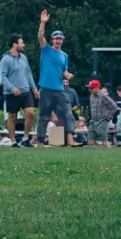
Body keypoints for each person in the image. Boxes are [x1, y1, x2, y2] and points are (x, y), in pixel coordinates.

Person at [34, 10, 76, 148]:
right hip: (46, 87)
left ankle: (70, 141)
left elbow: (64, 70)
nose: (58, 41)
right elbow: (40, 37)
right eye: (56, 39)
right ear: (52, 40)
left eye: (60, 39)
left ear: (63, 40)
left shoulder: (64, 55)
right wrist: (43, 23)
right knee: (44, 115)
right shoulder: (46, 50)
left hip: (59, 89)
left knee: (68, 112)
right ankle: (39, 142)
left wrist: (67, 75)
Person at [0, 34, 37, 148]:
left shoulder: (24, 58)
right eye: (21, 43)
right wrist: (12, 88)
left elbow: (28, 73)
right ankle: (13, 141)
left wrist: (34, 88)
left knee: (30, 113)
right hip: (11, 93)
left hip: (26, 91)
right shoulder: (5, 59)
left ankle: (26, 138)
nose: (23, 45)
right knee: (12, 117)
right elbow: (2, 77)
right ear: (15, 45)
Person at [88, 81, 119, 149]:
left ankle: (111, 154)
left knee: (104, 142)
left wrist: (108, 118)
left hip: (102, 120)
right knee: (90, 141)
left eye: (91, 88)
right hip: (93, 120)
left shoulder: (104, 97)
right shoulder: (91, 96)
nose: (89, 89)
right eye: (89, 88)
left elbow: (114, 107)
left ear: (97, 88)